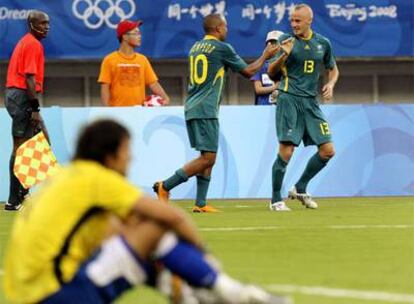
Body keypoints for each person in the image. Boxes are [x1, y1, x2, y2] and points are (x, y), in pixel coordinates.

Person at [3, 119, 290, 304]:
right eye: (127, 151)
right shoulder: (97, 179)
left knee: (136, 239)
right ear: (110, 156)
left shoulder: (66, 179)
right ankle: (226, 290)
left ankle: (186, 292)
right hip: (57, 295)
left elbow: (117, 235)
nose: (131, 158)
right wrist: (205, 259)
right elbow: (173, 217)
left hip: (24, 294)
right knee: (155, 228)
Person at [153, 14, 279, 212]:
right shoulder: (222, 48)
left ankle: (200, 203)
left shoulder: (195, 47)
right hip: (206, 108)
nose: (227, 30)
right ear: (219, 28)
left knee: (207, 154)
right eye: (226, 26)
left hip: (193, 105)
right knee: (208, 158)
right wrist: (265, 56)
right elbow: (248, 72)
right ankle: (165, 185)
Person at [267, 4, 339, 211]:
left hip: (311, 103)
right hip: (289, 99)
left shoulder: (322, 43)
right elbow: (272, 73)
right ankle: (275, 200)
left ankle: (300, 187)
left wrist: (331, 84)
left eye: (298, 20)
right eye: (292, 20)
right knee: (286, 151)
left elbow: (333, 70)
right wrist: (283, 55)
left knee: (327, 151)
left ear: (309, 21)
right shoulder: (285, 41)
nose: (294, 24)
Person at [4, 10, 50, 211]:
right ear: (32, 25)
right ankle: (17, 199)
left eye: (48, 23)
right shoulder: (33, 44)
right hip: (22, 96)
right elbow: (29, 78)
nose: (46, 27)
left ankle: (19, 195)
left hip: (17, 96)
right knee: (23, 148)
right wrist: (34, 109)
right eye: (42, 23)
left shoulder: (27, 42)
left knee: (37, 143)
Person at [98, 20, 170, 107]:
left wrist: (165, 97)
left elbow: (153, 83)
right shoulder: (109, 60)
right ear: (124, 36)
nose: (139, 36)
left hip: (139, 111)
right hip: (117, 111)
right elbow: (105, 87)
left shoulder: (142, 59)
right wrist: (107, 110)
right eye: (135, 33)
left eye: (139, 33)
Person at [250, 30, 284, 105]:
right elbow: (258, 89)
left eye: (276, 43)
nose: (273, 46)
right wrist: (275, 87)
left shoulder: (289, 66)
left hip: (283, 108)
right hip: (263, 110)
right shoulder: (260, 65)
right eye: (270, 43)